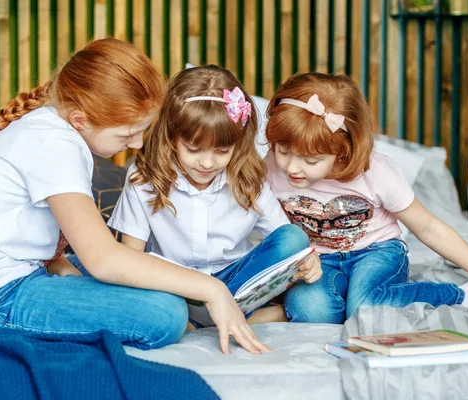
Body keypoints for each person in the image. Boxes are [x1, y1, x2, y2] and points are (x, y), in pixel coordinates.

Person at [0, 38, 268, 355]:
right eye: (127, 133)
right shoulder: (54, 145)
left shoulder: (53, 129)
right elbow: (103, 259)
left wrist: (76, 278)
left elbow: (50, 251)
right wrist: (212, 289)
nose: (138, 144)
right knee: (165, 313)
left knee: (151, 274)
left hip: (12, 279)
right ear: (81, 120)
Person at [263, 72, 468, 323]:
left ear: (343, 150)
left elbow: (429, 228)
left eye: (311, 160)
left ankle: (459, 294)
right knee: (311, 310)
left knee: (364, 308)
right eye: (283, 151)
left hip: (377, 252)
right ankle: (347, 299)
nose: (292, 168)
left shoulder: (377, 172)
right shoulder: (272, 168)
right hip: (320, 260)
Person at [109, 65, 321, 326]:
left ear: (238, 142)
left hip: (236, 285)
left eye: (222, 151)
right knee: (154, 297)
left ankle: (207, 319)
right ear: (172, 137)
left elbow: (286, 240)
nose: (207, 163)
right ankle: (225, 317)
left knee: (294, 238)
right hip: (175, 286)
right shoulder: (143, 179)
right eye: (194, 149)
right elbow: (132, 260)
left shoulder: (250, 179)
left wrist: (309, 260)